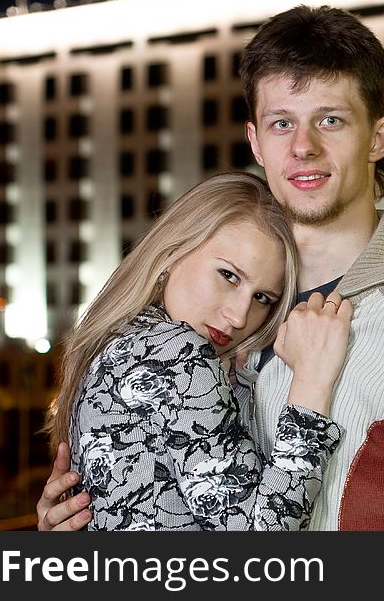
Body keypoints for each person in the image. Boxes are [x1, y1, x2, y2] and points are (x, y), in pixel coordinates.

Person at [37, 5, 384, 532]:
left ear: (378, 138)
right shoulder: (219, 316)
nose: (304, 147)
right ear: (256, 142)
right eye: (282, 123)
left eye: (331, 120)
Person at [43, 171, 352, 530]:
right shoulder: (177, 351)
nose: (238, 316)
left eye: (262, 298)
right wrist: (312, 383)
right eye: (229, 276)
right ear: (174, 251)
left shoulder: (115, 342)